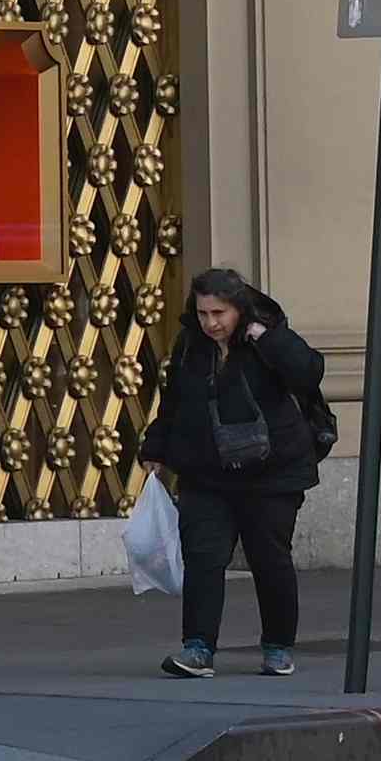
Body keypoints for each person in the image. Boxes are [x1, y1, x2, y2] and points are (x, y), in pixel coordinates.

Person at [144, 268, 332, 679]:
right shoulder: (191, 344)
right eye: (203, 313)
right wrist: (155, 448)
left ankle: (278, 646)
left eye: (219, 313)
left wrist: (267, 338)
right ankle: (198, 647)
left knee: (270, 559)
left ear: (238, 309)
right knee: (203, 557)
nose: (211, 323)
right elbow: (174, 400)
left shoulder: (267, 335)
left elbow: (309, 372)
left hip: (272, 471)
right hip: (207, 471)